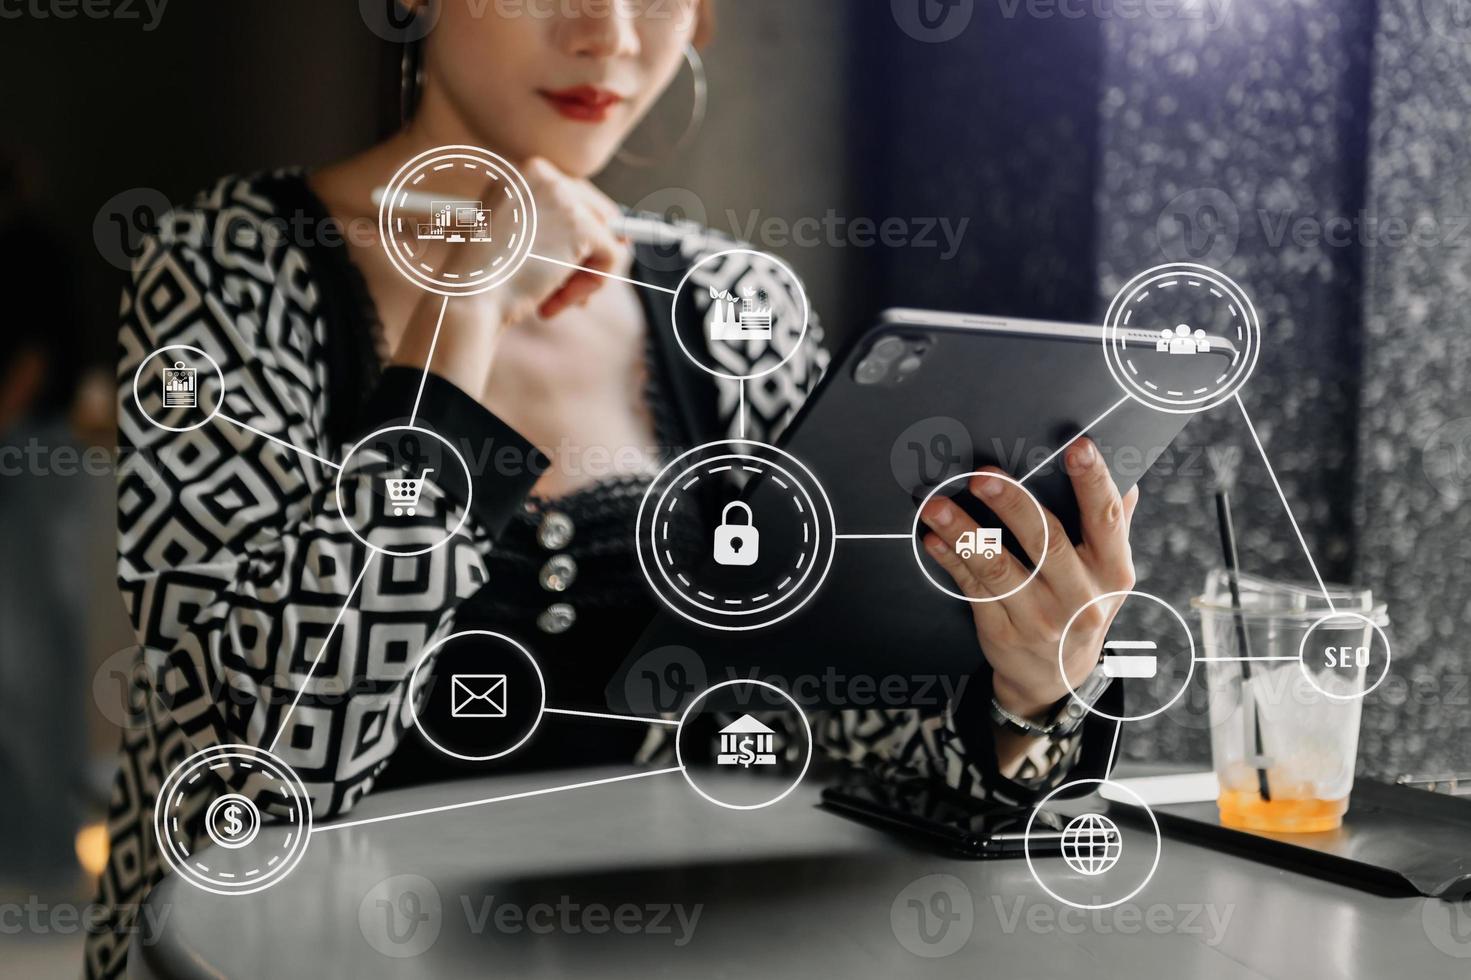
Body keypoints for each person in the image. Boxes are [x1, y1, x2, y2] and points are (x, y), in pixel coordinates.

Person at [90, 2, 1139, 975]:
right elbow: (253, 782)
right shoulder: (224, 265)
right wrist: (465, 300)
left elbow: (860, 755)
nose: (610, 33)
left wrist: (1020, 690)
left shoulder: (736, 311)